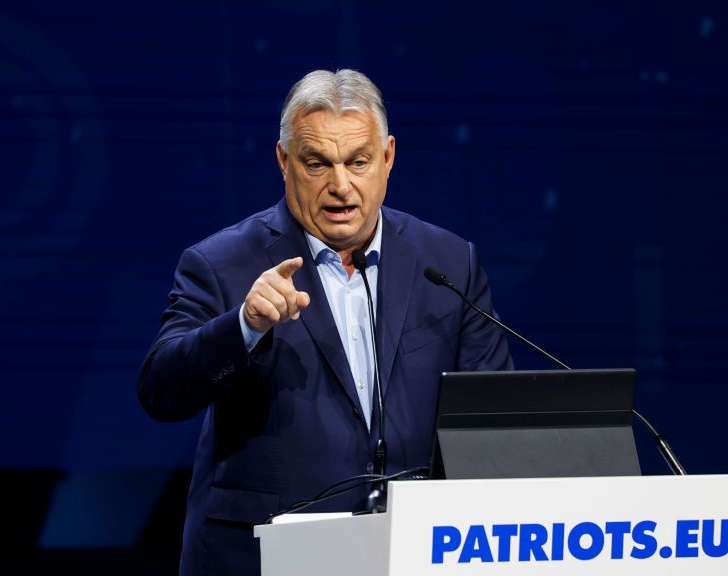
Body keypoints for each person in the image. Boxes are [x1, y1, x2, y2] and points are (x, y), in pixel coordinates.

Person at [137, 68, 513, 575]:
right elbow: (162, 390)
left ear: (387, 158)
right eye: (318, 163)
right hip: (266, 556)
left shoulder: (448, 262)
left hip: (412, 553)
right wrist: (244, 326)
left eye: (358, 161)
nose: (341, 186)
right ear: (284, 162)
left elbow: (494, 418)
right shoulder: (222, 263)